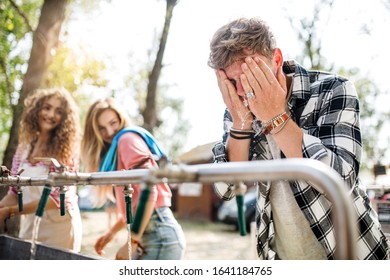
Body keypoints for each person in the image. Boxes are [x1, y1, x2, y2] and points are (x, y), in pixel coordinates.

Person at [208, 17, 390, 260]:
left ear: (277, 60)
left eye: (250, 74)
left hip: (354, 253)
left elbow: (341, 179)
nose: (242, 91)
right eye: (231, 82)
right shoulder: (237, 107)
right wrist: (241, 124)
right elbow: (226, 189)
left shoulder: (332, 89)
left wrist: (275, 117)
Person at [80, 97, 185, 260]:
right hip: (154, 233)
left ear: (121, 119)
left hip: (159, 236)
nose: (109, 132)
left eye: (113, 123)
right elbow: (136, 206)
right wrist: (112, 232)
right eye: (101, 128)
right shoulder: (118, 148)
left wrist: (132, 241)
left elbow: (150, 190)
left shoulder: (126, 139)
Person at [0, 88, 82, 252]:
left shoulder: (66, 151)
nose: (51, 115)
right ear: (37, 110)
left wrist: (10, 212)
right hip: (30, 225)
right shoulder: (24, 149)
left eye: (58, 111)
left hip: (59, 229)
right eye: (47, 107)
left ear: (65, 119)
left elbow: (57, 199)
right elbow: (14, 193)